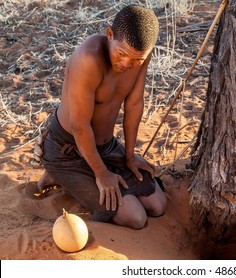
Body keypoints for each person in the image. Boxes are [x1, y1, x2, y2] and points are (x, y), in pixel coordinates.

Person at [37, 5, 167, 229]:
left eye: (136, 60)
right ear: (109, 35)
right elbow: (79, 126)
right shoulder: (88, 59)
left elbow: (134, 104)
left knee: (157, 205)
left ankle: (75, 175)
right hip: (67, 149)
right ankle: (58, 172)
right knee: (135, 218)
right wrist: (102, 173)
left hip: (106, 148)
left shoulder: (140, 55)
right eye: (122, 54)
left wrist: (129, 156)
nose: (127, 65)